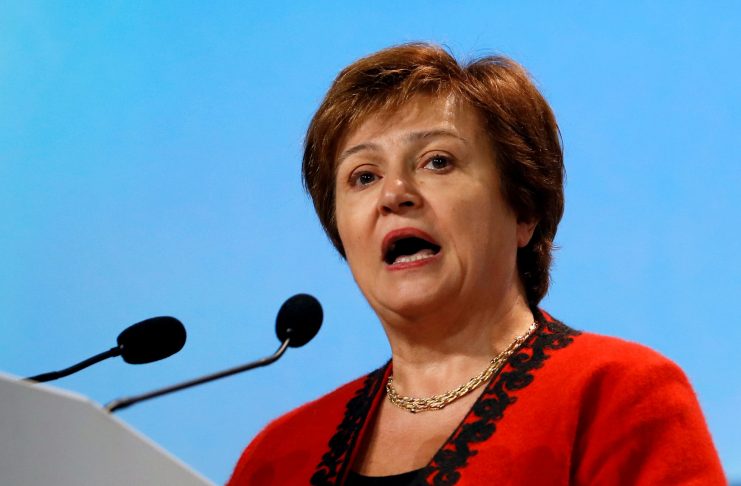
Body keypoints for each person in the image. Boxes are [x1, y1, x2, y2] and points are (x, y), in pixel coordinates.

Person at [228, 43, 725, 485]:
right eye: (364, 176)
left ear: (524, 210)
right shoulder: (276, 456)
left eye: (437, 162)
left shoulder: (619, 395)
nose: (394, 194)